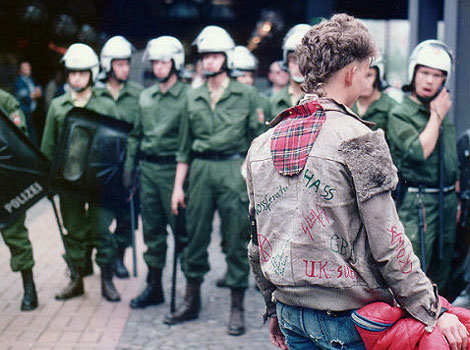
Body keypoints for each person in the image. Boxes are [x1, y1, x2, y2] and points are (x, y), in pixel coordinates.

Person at [246, 14, 468, 350]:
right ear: (352, 72)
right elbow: (389, 245)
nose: (367, 80)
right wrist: (433, 310)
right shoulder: (362, 140)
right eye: (366, 71)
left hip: (291, 313)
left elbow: (257, 241)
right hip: (348, 320)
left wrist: (272, 305)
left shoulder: (261, 144)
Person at [164, 25, 262, 336]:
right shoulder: (192, 98)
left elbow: (255, 143)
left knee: (235, 239)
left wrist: (253, 183)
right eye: (205, 56)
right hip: (201, 171)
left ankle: (237, 307)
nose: (208, 62)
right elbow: (183, 147)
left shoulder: (246, 95)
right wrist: (179, 187)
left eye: (214, 56)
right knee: (194, 237)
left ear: (226, 59)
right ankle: (190, 300)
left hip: (234, 168)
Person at [41, 43, 121, 302]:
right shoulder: (57, 106)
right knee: (73, 230)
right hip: (68, 180)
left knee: (100, 229)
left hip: (99, 182)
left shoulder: (106, 104)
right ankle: (76, 279)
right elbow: (48, 146)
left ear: (92, 73)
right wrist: (48, 181)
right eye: (72, 72)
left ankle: (107, 280)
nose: (76, 77)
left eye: (81, 72)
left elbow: (116, 144)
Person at [387, 40, 459, 298]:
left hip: (447, 201)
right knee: (416, 270)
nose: (429, 80)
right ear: (413, 73)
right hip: (418, 203)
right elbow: (418, 152)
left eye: (437, 75)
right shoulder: (401, 113)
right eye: (424, 73)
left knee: (444, 270)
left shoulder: (438, 110)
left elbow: (449, 161)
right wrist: (437, 116)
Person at [124, 36, 189, 309]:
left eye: (164, 61)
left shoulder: (189, 96)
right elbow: (135, 137)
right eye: (156, 62)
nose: (159, 67)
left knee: (183, 233)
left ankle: (191, 291)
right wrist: (129, 171)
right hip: (148, 170)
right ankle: (154, 286)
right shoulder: (145, 97)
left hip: (174, 170)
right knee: (152, 232)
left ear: (176, 62)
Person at [96, 35, 143, 279]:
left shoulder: (138, 94)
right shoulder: (96, 95)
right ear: (107, 65)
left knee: (127, 217)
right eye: (119, 64)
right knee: (101, 217)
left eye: (127, 63)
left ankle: (120, 258)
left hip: (128, 165)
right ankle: (101, 257)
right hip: (102, 167)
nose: (125, 68)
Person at [0, 88, 38, 311]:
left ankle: (29, 287)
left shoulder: (3, 98)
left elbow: (16, 118)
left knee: (16, 234)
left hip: (6, 180)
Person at [270, 24, 310, 118]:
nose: (299, 66)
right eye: (293, 60)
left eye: (305, 60)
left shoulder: (321, 99)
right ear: (286, 63)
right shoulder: (274, 101)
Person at [353, 56, 397, 134]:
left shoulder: (392, 107)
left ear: (378, 77)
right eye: (360, 75)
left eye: (369, 75)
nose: (364, 81)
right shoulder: (348, 104)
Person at [14, 61, 42, 145]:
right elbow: (26, 97)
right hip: (24, 113)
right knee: (26, 135)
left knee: (33, 134)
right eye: (26, 68)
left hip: (32, 112)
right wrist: (35, 94)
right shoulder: (19, 82)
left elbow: (39, 92)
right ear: (21, 71)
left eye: (29, 67)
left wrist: (36, 94)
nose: (29, 69)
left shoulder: (30, 80)